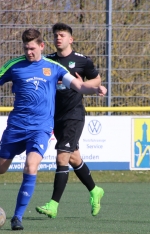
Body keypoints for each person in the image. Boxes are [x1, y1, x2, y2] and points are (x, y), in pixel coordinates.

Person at [0, 28, 107, 231]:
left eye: (32, 48)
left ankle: (17, 217)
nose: (29, 52)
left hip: (41, 129)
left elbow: (78, 86)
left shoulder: (54, 67)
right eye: (26, 48)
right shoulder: (14, 65)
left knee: (31, 167)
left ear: (41, 46)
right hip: (16, 127)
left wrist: (95, 89)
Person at [36, 23, 104, 219]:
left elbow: (97, 81)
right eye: (56, 35)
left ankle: (53, 204)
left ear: (70, 39)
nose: (58, 38)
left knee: (62, 158)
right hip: (55, 116)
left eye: (62, 35)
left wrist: (81, 85)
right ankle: (94, 190)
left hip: (74, 115)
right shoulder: (47, 61)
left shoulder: (82, 61)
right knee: (74, 158)